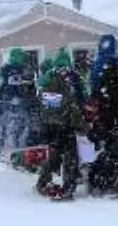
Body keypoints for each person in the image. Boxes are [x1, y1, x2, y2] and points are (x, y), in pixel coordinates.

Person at [35, 56, 89, 200]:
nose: (64, 71)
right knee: (69, 157)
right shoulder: (56, 82)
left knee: (55, 156)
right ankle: (67, 187)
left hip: (55, 126)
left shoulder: (52, 81)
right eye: (61, 67)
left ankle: (44, 182)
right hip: (63, 126)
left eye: (65, 67)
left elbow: (48, 107)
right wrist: (82, 125)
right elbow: (67, 107)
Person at [87, 49, 118, 194]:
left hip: (107, 123)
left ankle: (110, 179)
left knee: (110, 151)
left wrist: (97, 124)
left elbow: (95, 105)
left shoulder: (101, 84)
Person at [0, 47, 38, 158]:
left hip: (6, 100)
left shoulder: (5, 68)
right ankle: (19, 150)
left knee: (5, 125)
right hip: (22, 101)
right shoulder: (27, 69)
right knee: (22, 126)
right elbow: (32, 86)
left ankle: (3, 149)